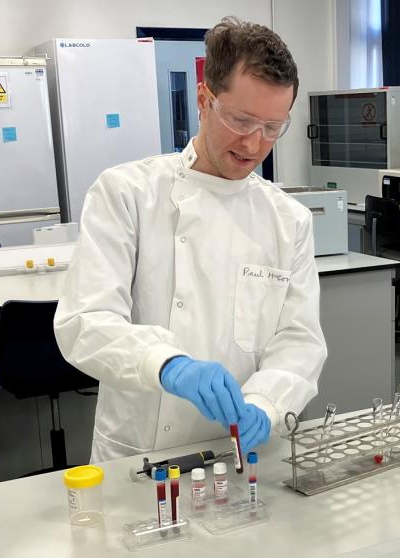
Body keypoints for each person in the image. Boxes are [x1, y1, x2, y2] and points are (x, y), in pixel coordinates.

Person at [54, 16, 328, 462]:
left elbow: (299, 341)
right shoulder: (128, 194)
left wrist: (265, 402)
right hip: (140, 455)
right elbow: (84, 323)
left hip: (239, 453)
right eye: (241, 119)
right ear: (204, 99)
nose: (255, 143)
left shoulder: (288, 219)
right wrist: (168, 364)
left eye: (273, 128)